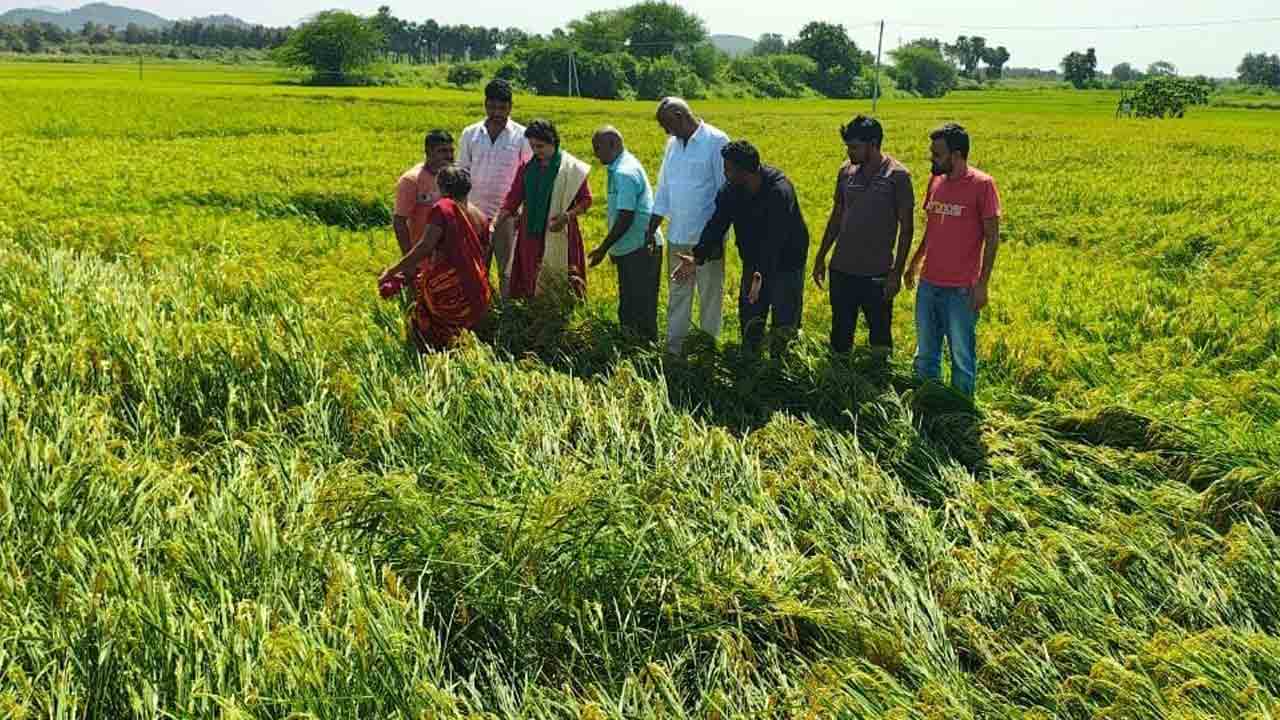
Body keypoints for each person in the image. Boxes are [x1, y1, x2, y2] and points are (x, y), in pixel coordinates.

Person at [673, 140, 809, 356]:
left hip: (786, 262)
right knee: (750, 317)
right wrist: (697, 257)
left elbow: (775, 240)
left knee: (784, 320)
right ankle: (750, 359)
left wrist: (759, 277)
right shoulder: (731, 191)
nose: (724, 173)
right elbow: (717, 224)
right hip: (753, 259)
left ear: (745, 171)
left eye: (728, 169)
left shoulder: (779, 191)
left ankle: (782, 364)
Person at [904, 123, 1002, 397]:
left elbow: (992, 237)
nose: (931, 159)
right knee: (925, 354)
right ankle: (928, 403)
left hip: (961, 290)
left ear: (956, 155)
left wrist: (982, 284)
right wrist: (914, 262)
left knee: (961, 357)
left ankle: (960, 409)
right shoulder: (935, 181)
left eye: (937, 154)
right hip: (928, 284)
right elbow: (932, 227)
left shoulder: (983, 185)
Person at [812, 115, 915, 357]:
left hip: (877, 272)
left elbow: (907, 229)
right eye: (848, 146)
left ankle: (879, 376)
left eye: (855, 147)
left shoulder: (898, 176)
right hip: (842, 269)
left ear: (874, 144)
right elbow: (837, 215)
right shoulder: (846, 172)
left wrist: (896, 272)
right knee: (840, 334)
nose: (849, 152)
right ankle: (840, 373)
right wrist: (821, 256)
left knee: (880, 336)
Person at [645, 97, 730, 354]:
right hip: (678, 235)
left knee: (710, 297)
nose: (666, 131)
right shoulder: (672, 145)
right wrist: (651, 228)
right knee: (678, 295)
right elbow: (664, 189)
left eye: (667, 125)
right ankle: (674, 350)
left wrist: (716, 239)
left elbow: (725, 194)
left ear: (680, 116)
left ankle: (707, 351)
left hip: (707, 240)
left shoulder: (716, 141)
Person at [378, 165, 493, 351]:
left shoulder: (443, 209)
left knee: (425, 324)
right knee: (464, 339)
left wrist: (392, 271)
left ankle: (428, 359)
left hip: (450, 292)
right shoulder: (480, 216)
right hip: (478, 292)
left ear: (443, 189)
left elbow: (425, 247)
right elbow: (484, 256)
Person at [494, 119, 592, 299]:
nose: (536, 151)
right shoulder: (527, 167)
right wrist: (496, 222)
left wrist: (567, 216)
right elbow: (513, 198)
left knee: (562, 275)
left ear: (553, 141)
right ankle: (533, 310)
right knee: (531, 274)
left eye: (540, 146)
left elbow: (586, 200)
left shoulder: (571, 168)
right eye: (532, 146)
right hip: (530, 233)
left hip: (559, 229)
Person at [457, 79, 533, 298]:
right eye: (492, 107)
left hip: (507, 215)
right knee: (475, 267)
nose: (497, 113)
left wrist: (521, 212)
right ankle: (480, 309)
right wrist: (462, 210)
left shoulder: (522, 136)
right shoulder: (470, 133)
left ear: (510, 107)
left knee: (507, 271)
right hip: (474, 213)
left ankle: (507, 312)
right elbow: (462, 172)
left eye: (502, 107)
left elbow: (527, 178)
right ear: (485, 104)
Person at [587, 126, 662, 342]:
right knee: (630, 304)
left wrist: (604, 248)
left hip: (641, 246)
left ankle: (644, 350)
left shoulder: (624, 172)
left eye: (597, 147)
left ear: (613, 144)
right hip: (631, 245)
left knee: (641, 306)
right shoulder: (619, 167)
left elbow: (626, 217)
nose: (595, 153)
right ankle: (631, 346)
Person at [393, 129, 455, 265]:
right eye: (443, 151)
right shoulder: (411, 180)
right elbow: (399, 221)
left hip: (448, 257)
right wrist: (409, 261)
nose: (449, 156)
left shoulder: (452, 177)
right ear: (428, 152)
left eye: (451, 151)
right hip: (422, 258)